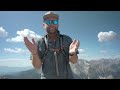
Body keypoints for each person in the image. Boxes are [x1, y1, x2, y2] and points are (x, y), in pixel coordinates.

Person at [24, 11, 80, 79]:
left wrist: (72, 53)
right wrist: (34, 54)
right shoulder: (39, 43)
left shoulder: (67, 39)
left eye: (55, 22)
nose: (52, 24)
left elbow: (74, 61)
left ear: (58, 25)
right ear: (44, 25)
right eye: (48, 22)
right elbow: (37, 66)